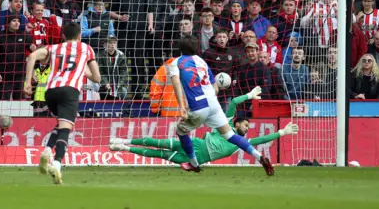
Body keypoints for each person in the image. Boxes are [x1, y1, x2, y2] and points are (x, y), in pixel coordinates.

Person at [167, 35, 275, 175]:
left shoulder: (176, 63)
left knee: (181, 131)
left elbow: (176, 83)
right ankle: (259, 157)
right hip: (213, 103)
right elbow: (215, 87)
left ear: (180, 48)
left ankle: (194, 163)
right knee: (229, 134)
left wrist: (182, 106)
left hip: (198, 105)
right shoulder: (202, 61)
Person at [110, 90, 299, 166]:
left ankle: (125, 148)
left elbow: (261, 140)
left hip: (201, 158)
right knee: (160, 143)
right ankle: (124, 140)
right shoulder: (224, 126)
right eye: (246, 124)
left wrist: (282, 132)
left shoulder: (241, 142)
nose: (247, 128)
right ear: (237, 123)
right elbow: (233, 101)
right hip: (197, 144)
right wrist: (248, 95)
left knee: (159, 155)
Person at [23, 22, 101, 185]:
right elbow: (97, 77)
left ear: (64, 36)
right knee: (66, 128)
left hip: (50, 92)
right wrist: (83, 69)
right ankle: (57, 164)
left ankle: (46, 150)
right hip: (69, 90)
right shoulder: (86, 49)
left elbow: (31, 57)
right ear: (80, 36)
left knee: (61, 124)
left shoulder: (54, 48)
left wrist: (27, 82)